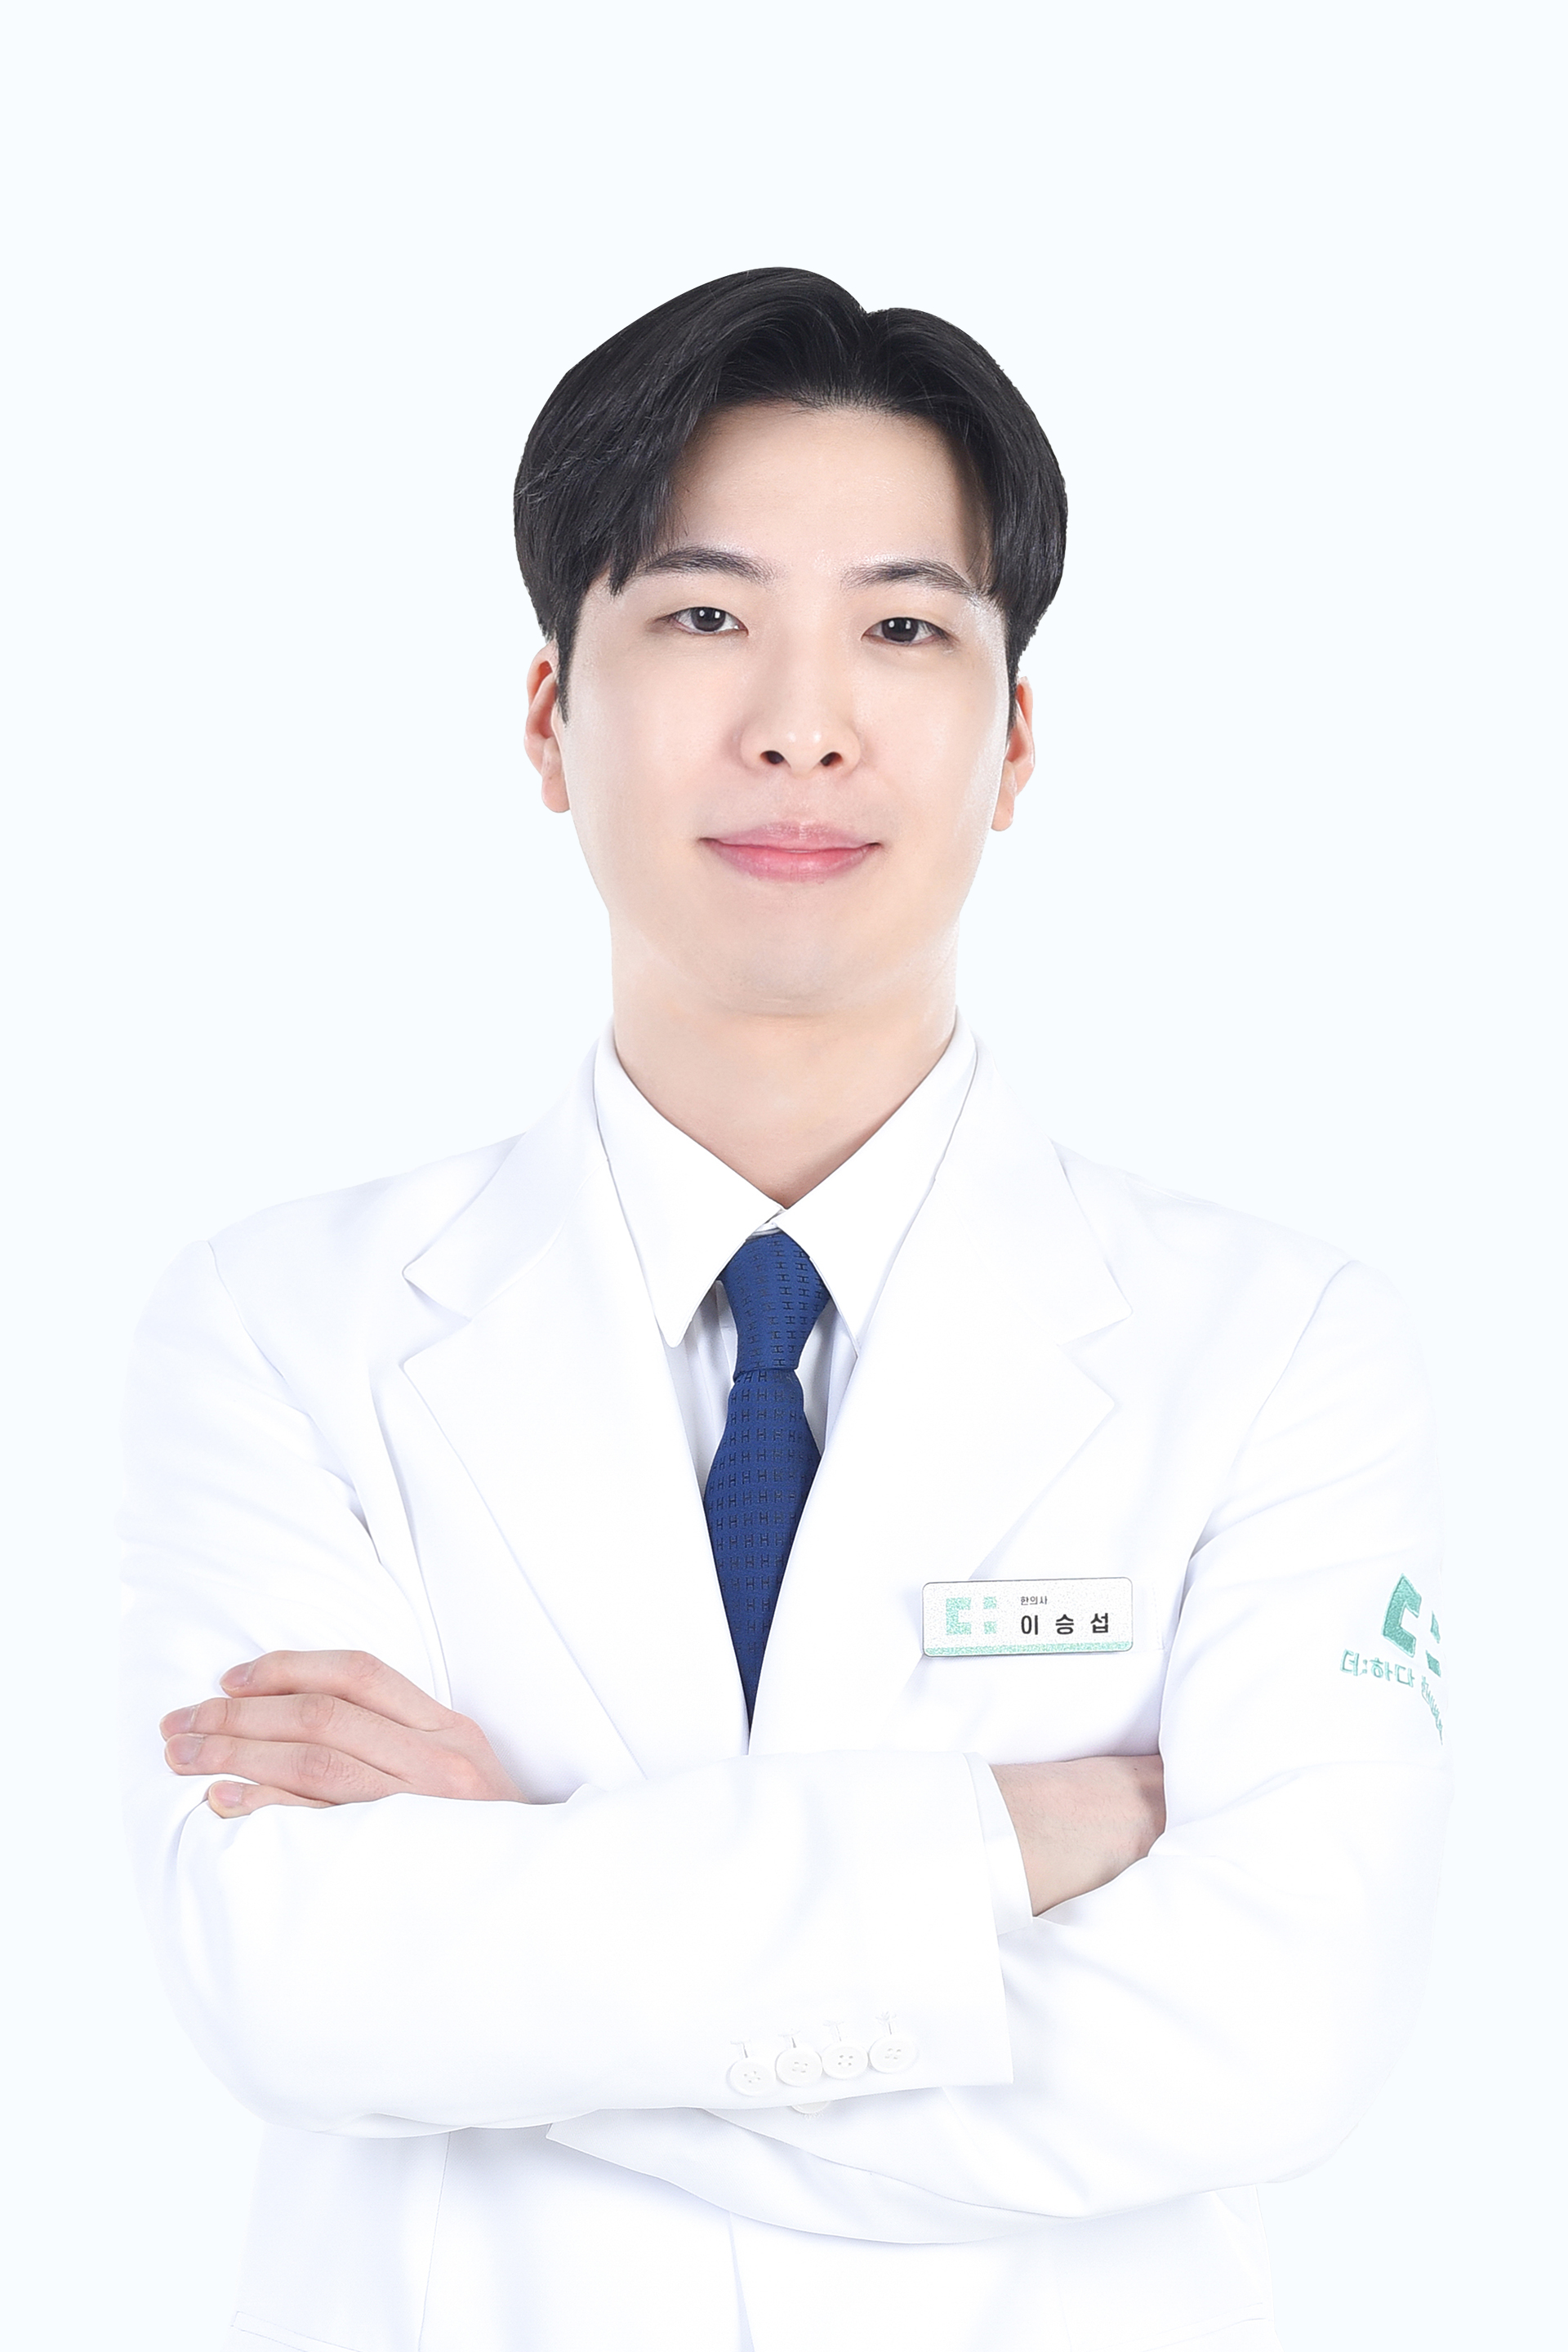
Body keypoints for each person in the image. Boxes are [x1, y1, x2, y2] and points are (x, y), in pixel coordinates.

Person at [120, 269, 1450, 2352]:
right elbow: (294, 1986)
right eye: (703, 618)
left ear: (1015, 742)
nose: (803, 724)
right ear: (549, 720)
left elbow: (1264, 2039)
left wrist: (518, 1915)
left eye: (904, 629)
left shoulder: (1282, 1353)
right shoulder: (277, 1328)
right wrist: (1000, 1845)